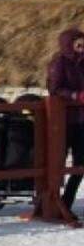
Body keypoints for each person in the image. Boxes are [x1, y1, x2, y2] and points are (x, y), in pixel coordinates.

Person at [46, 27, 84, 221]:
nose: (82, 46)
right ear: (69, 44)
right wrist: (75, 95)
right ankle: (51, 201)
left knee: (81, 164)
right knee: (56, 163)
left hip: (81, 121)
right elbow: (54, 88)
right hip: (63, 121)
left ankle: (66, 202)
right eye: (78, 43)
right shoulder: (59, 63)